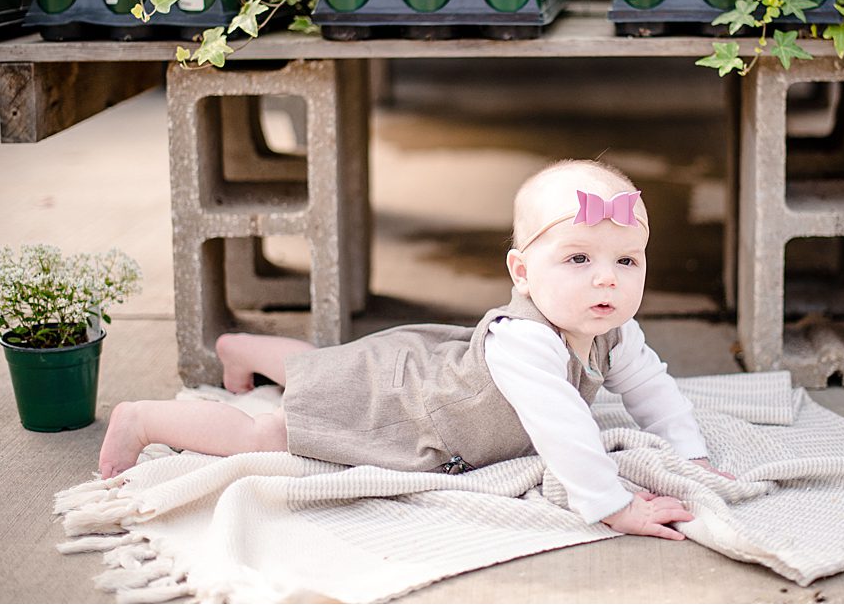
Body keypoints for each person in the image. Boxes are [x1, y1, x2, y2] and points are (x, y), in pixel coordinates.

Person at [95, 159, 736, 541]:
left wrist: (693, 453)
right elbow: (566, 429)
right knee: (269, 431)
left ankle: (240, 348)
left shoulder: (613, 330)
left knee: (319, 368)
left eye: (627, 260)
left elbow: (652, 388)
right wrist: (613, 504)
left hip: (429, 367)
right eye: (578, 258)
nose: (608, 279)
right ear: (521, 272)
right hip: (409, 408)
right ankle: (146, 419)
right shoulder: (527, 346)